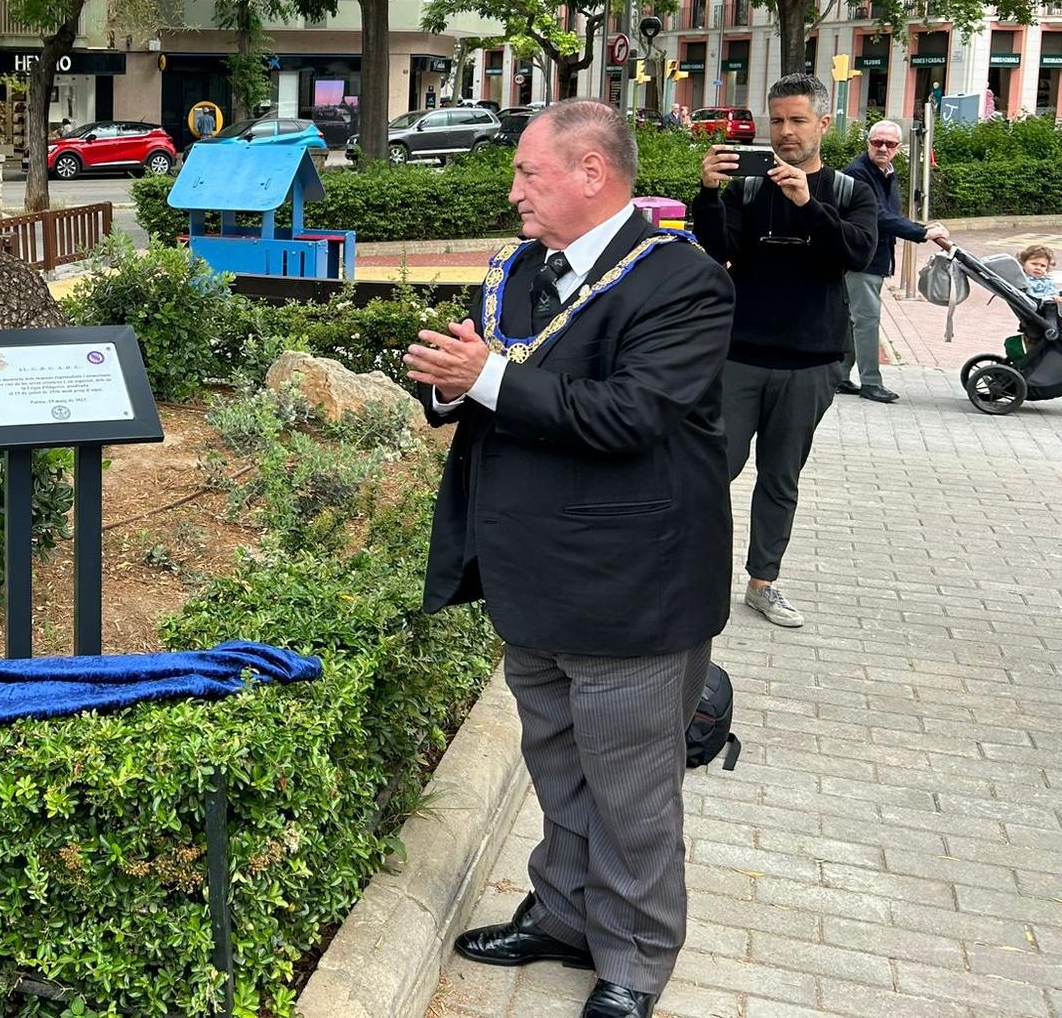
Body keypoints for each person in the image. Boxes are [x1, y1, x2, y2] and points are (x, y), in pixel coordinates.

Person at [405, 99, 734, 1018]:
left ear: (593, 173)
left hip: (631, 591)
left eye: (528, 174)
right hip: (530, 580)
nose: (512, 191)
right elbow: (489, 389)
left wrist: (488, 379)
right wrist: (449, 388)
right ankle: (565, 916)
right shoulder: (516, 269)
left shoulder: (683, 283)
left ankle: (633, 962)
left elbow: (630, 416)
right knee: (559, 769)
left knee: (633, 793)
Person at [692, 74, 876, 629]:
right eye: (777, 120)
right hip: (741, 355)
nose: (785, 131)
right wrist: (707, 193)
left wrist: (807, 203)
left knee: (780, 477)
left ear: (824, 124)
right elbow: (718, 249)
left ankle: (763, 583)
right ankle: (688, 572)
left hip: (812, 361)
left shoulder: (850, 192)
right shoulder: (749, 188)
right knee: (710, 467)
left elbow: (857, 254)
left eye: (797, 120)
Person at [838, 121, 949, 402]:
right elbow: (877, 215)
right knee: (866, 320)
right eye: (878, 143)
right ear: (868, 143)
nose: (883, 148)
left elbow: (890, 214)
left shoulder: (886, 172)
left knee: (855, 320)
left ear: (899, 149)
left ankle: (840, 375)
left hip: (874, 257)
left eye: (889, 144)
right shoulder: (858, 173)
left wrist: (922, 227)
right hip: (861, 257)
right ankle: (871, 383)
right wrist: (921, 233)